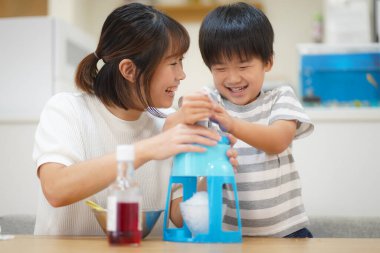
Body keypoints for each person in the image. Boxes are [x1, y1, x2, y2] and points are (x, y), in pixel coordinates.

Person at [32, 3, 236, 236]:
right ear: (129, 70)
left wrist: (213, 173)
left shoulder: (168, 124)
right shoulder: (67, 109)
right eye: (173, 63)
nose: (181, 75)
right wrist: (147, 149)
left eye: (181, 62)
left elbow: (176, 215)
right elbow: (56, 189)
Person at [198, 2, 314, 238]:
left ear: (267, 62)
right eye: (220, 68)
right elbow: (182, 117)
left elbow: (278, 140)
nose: (232, 78)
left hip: (288, 232)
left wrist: (231, 124)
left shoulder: (281, 97)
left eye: (243, 66)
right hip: (230, 234)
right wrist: (188, 107)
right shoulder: (212, 102)